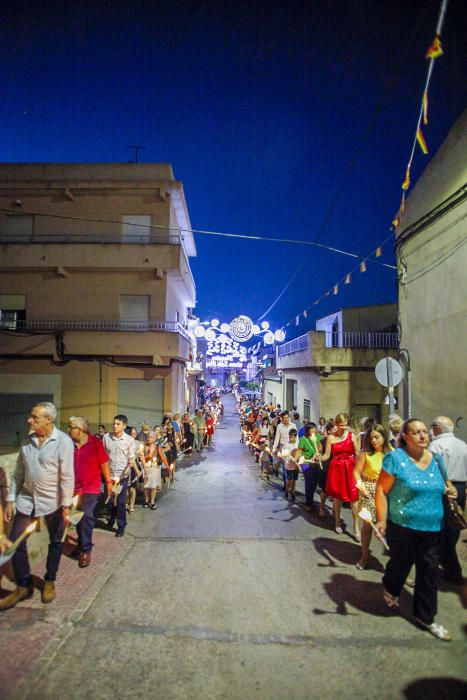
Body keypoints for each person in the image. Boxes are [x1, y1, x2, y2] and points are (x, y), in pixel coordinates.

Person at [375, 419, 457, 641]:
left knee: (428, 571)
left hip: (431, 526)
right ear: (405, 437)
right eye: (416, 432)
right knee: (401, 563)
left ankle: (426, 617)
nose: (422, 436)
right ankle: (391, 587)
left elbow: (445, 485)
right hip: (401, 525)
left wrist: (450, 491)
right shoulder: (396, 459)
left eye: (424, 432)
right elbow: (381, 490)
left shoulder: (436, 459)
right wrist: (381, 520)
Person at [0, 402, 74, 610]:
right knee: (16, 541)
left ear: (48, 420)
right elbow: (18, 473)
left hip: (54, 502)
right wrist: (10, 500)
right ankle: (24, 584)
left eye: (34, 417)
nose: (29, 420)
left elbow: (67, 476)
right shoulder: (27, 441)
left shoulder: (63, 442)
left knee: (56, 541)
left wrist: (66, 505)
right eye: (30, 416)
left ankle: (49, 580)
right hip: (27, 499)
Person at [68, 416, 112, 567]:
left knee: (86, 515)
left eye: (71, 427)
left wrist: (108, 482)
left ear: (79, 430)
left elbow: (104, 463)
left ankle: (85, 550)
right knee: (76, 517)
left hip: (91, 487)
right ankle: (81, 543)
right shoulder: (69, 445)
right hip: (73, 488)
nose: (68, 430)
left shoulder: (95, 443)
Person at [429, 416, 467, 584]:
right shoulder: (462, 445)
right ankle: (447, 566)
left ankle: (451, 571)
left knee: (439, 529)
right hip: (459, 488)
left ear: (437, 428)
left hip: (442, 489)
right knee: (453, 525)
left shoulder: (435, 446)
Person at [353, 424, 392, 570]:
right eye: (371, 438)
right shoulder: (365, 455)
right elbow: (356, 472)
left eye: (377, 437)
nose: (374, 441)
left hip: (388, 491)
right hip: (369, 489)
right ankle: (364, 556)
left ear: (384, 437)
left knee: (392, 529)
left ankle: (397, 565)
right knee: (368, 526)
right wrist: (361, 485)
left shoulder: (392, 453)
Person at [321, 413, 360, 537]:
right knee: (337, 497)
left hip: (350, 467)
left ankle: (356, 526)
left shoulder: (352, 436)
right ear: (336, 425)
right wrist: (319, 458)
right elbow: (327, 456)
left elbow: (358, 453)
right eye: (341, 425)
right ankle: (337, 522)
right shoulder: (330, 438)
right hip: (337, 468)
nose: (344, 427)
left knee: (354, 497)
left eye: (345, 425)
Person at [103, 414, 137, 537]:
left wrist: (131, 461)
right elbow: (103, 455)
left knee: (121, 502)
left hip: (122, 476)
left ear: (124, 426)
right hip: (109, 476)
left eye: (118, 424)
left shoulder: (129, 440)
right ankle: (111, 518)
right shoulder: (107, 437)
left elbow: (131, 455)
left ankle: (121, 525)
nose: (115, 426)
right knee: (110, 500)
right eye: (114, 423)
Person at [298, 423, 322, 512]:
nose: (313, 431)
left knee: (315, 482)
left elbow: (320, 447)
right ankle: (308, 502)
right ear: (307, 430)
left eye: (314, 429)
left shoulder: (318, 437)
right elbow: (299, 451)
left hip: (316, 462)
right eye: (311, 429)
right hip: (307, 463)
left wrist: (317, 453)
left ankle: (310, 498)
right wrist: (297, 460)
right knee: (309, 483)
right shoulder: (303, 439)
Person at [273, 411, 297, 490]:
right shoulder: (279, 426)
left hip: (293, 447)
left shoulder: (293, 425)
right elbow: (277, 438)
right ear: (282, 419)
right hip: (283, 448)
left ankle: (291, 486)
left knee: (293, 466)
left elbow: (296, 438)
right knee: (285, 467)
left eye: (287, 417)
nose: (286, 419)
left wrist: (298, 448)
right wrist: (274, 449)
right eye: (284, 418)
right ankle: (286, 484)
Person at [283, 428, 300, 501]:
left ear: (295, 437)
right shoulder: (287, 444)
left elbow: (300, 452)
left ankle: (293, 492)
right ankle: (287, 490)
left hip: (296, 465)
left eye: (292, 437)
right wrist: (290, 458)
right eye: (289, 437)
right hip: (289, 465)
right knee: (289, 479)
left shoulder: (298, 444)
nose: (290, 438)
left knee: (294, 480)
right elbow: (285, 454)